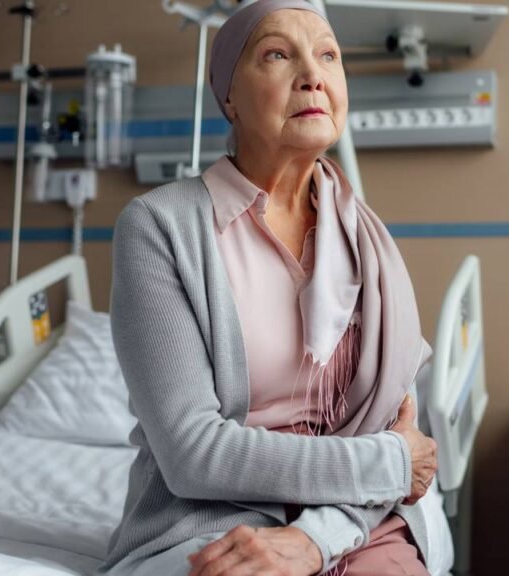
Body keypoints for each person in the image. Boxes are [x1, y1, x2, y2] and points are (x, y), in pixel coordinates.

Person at [102, 1, 438, 574]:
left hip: (356, 523)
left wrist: (315, 539)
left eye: (328, 55)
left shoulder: (368, 242)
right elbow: (192, 453)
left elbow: (398, 431)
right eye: (278, 55)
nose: (313, 75)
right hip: (209, 521)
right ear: (228, 97)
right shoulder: (160, 227)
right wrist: (386, 465)